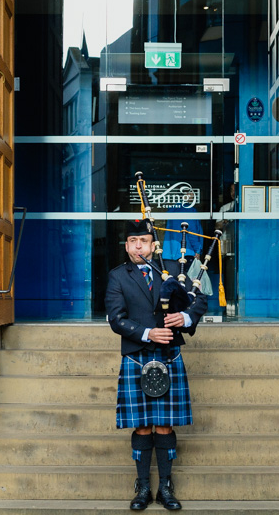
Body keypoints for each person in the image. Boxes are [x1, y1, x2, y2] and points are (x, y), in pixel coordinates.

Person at [105, 219, 208, 511]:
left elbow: (199, 301)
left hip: (169, 355)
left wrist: (185, 318)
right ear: (126, 246)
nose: (138, 246)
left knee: (163, 425)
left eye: (144, 241)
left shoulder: (173, 269)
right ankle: (142, 488)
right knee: (141, 427)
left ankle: (165, 487)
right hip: (138, 355)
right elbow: (116, 318)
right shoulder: (118, 277)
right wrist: (148, 332)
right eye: (133, 241)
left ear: (154, 245)